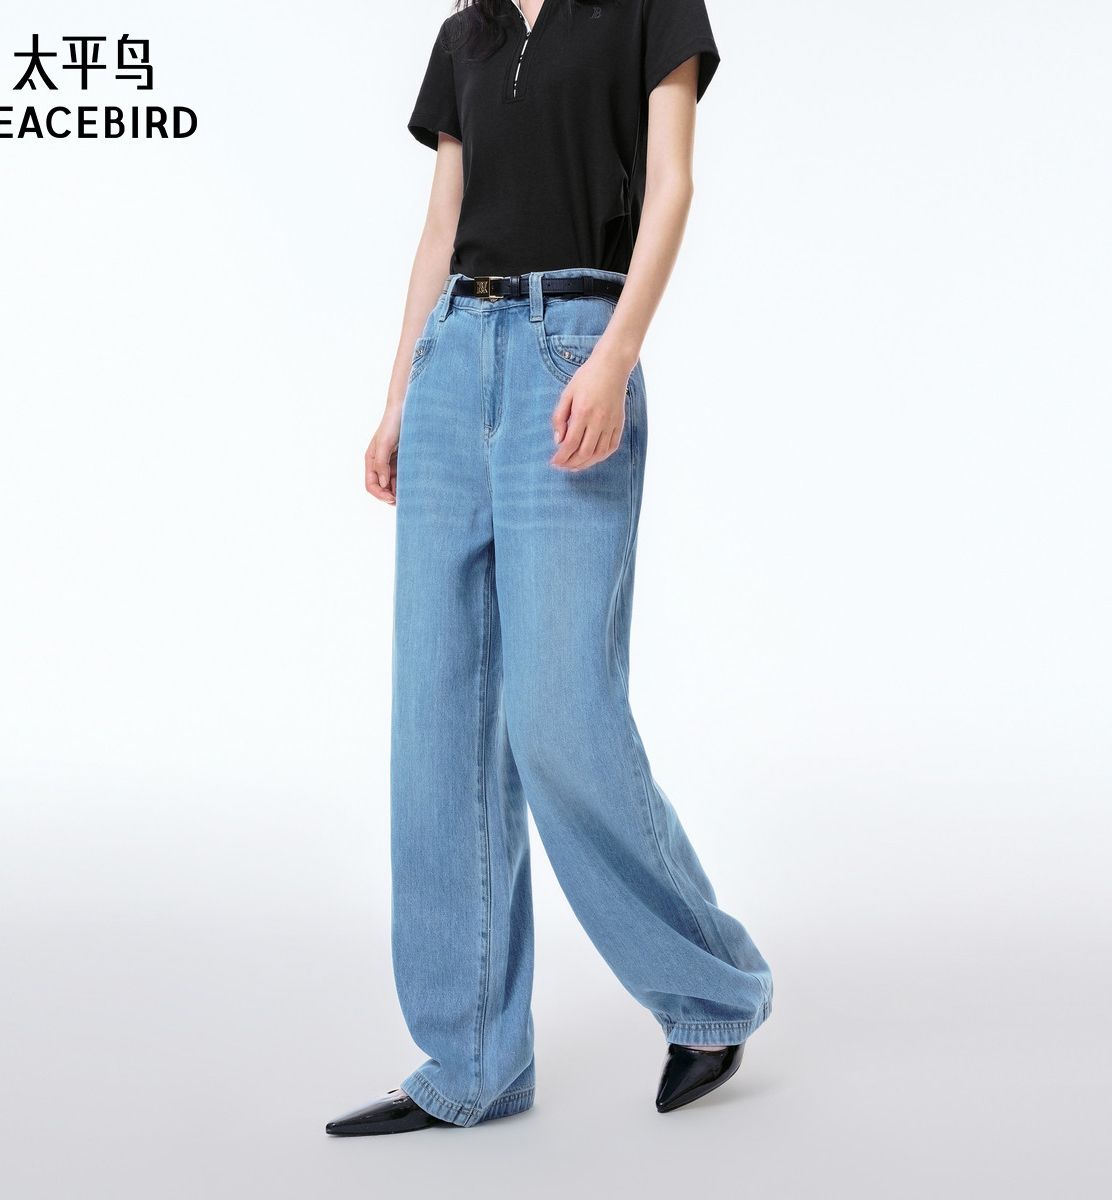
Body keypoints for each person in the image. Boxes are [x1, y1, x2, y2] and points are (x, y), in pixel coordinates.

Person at [327, 0, 772, 1136]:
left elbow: (671, 185)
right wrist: (398, 396)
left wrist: (616, 354)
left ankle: (711, 991)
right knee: (437, 719)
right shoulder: (465, 34)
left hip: (569, 351)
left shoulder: (648, 9)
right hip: (450, 360)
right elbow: (442, 227)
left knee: (560, 709)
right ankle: (470, 1062)